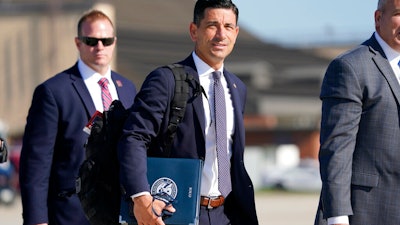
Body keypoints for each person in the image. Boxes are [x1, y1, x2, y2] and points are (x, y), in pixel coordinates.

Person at [118, 0, 258, 225]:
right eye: (212, 25)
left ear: (236, 33)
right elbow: (134, 137)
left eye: (228, 27)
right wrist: (141, 198)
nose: (221, 34)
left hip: (227, 214)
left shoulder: (237, 88)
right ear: (194, 31)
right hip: (175, 212)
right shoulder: (165, 80)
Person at [19, 9, 137, 225]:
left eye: (106, 40)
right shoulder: (54, 91)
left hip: (120, 212)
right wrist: (36, 219)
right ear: (78, 43)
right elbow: (36, 163)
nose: (99, 46)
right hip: (71, 214)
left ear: (114, 42)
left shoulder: (128, 89)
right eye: (91, 40)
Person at [314, 0, 400, 224]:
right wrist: (337, 215)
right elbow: (336, 147)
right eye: (399, 14)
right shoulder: (350, 67)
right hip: (368, 211)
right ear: (378, 18)